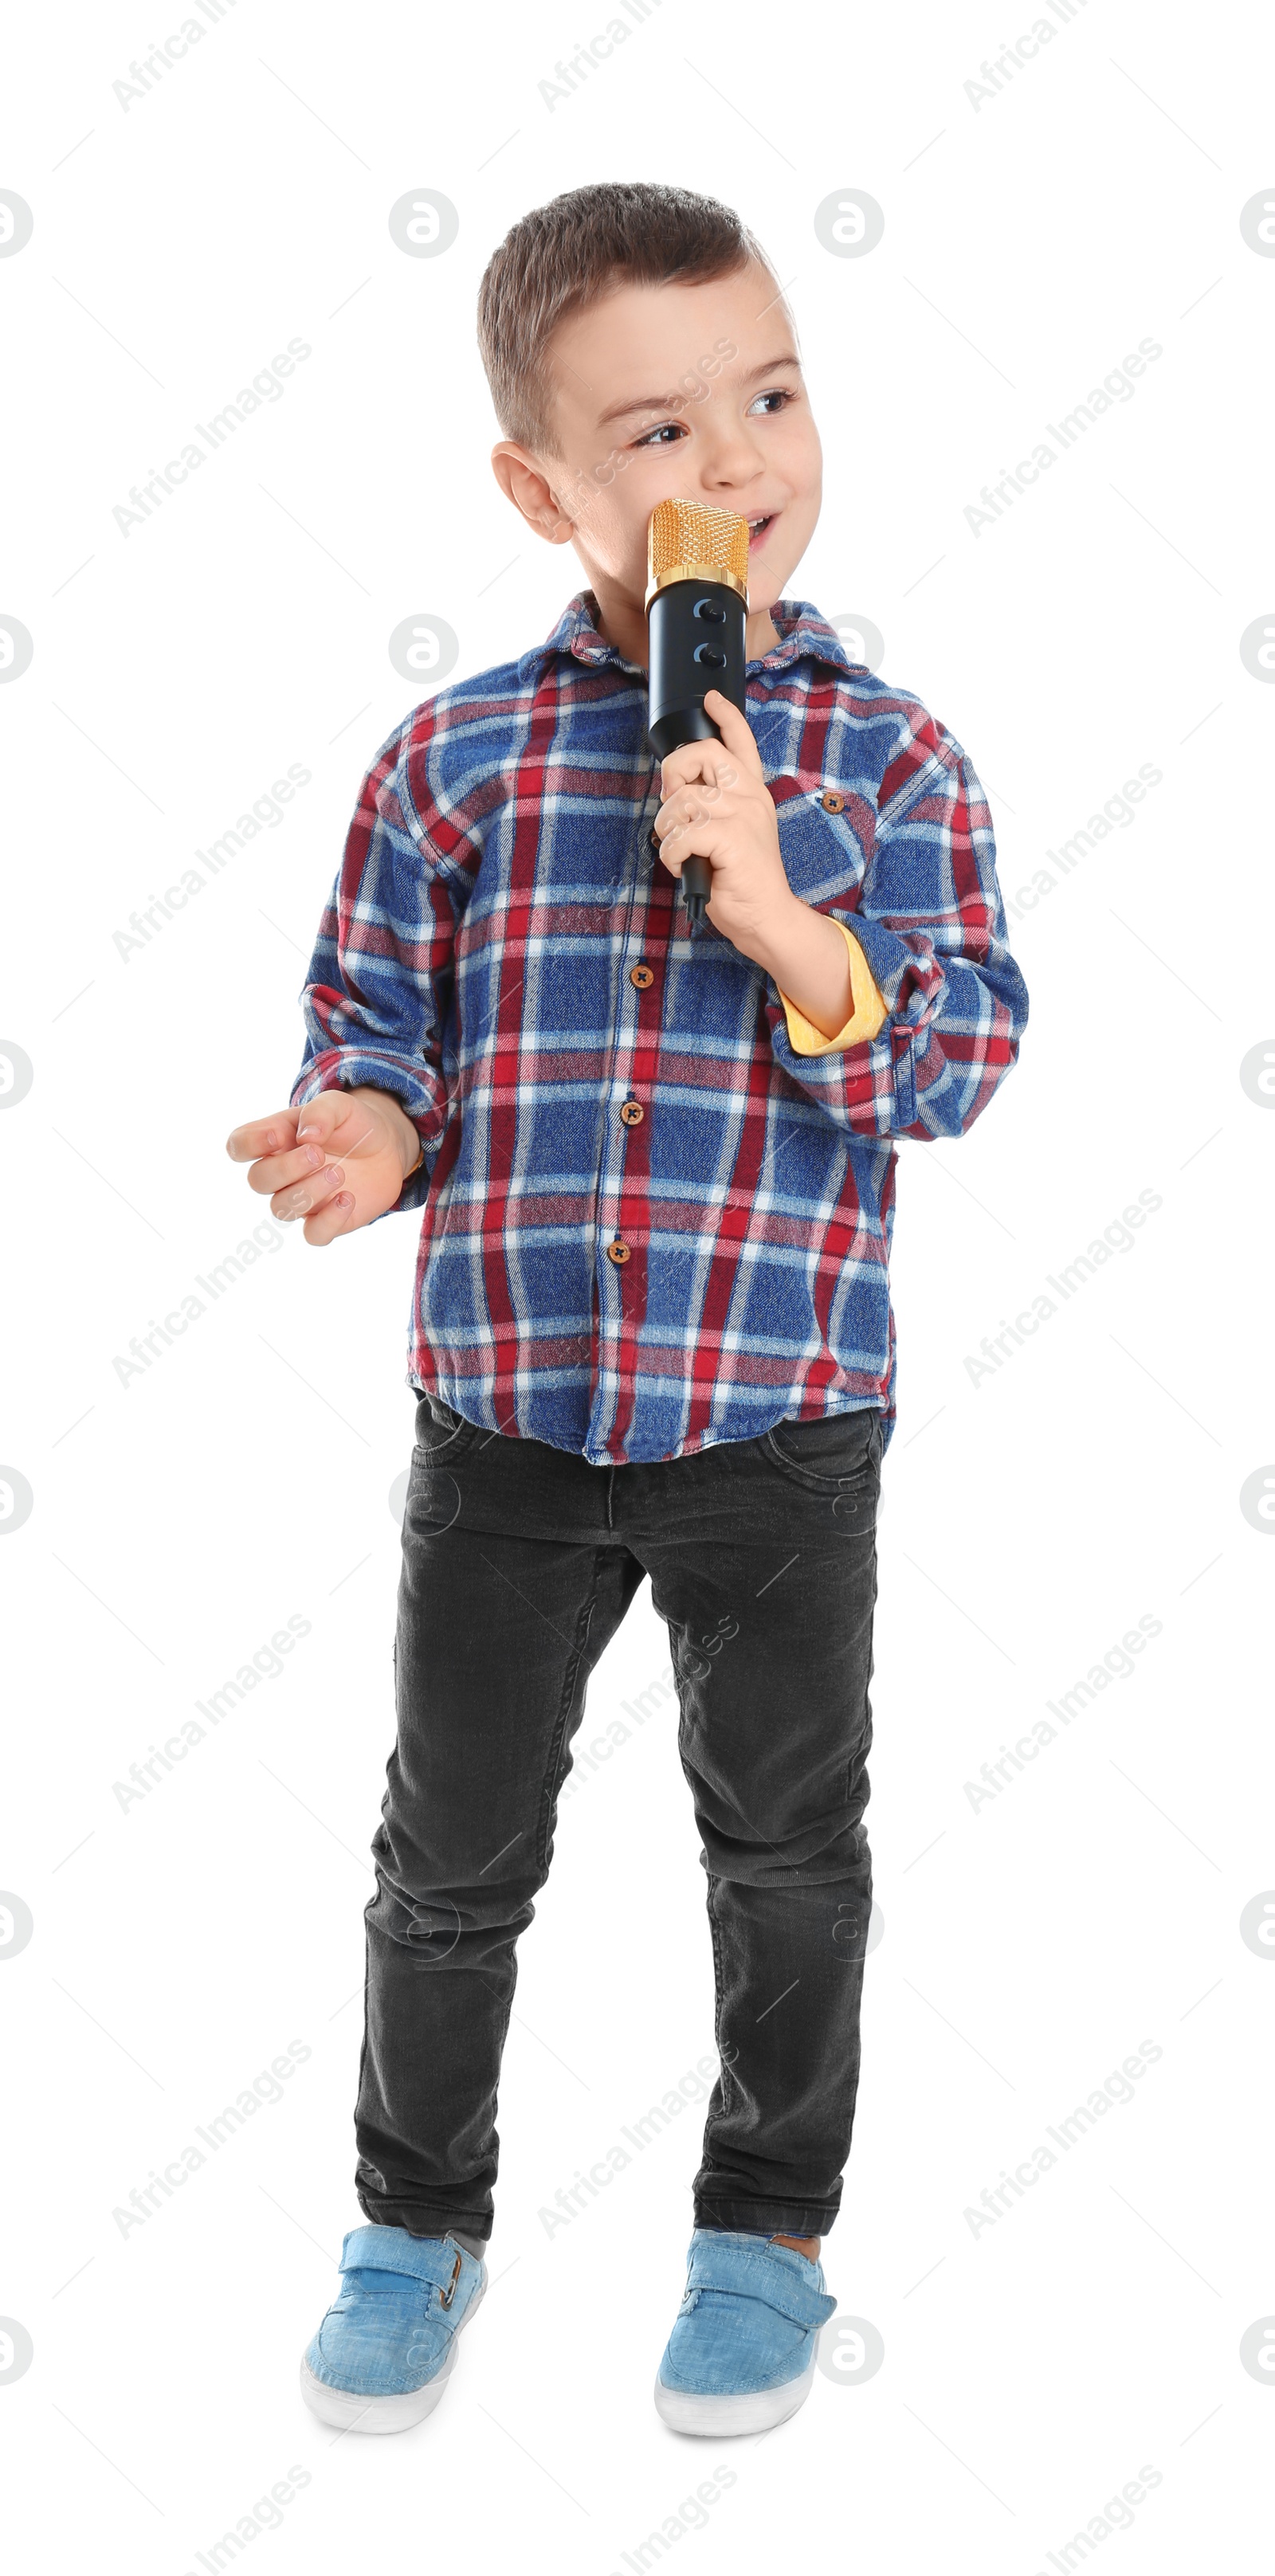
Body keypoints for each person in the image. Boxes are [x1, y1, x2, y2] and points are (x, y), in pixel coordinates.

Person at [226, 180, 1028, 2439]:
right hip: (508, 1421)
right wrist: (367, 1134)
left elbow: (955, 1061)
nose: (743, 464)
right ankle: (415, 2206)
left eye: (773, 397)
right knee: (449, 1849)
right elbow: (372, 1020)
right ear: (544, 490)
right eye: (663, 432)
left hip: (775, 1422)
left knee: (787, 1844)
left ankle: (765, 2223)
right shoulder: (456, 763)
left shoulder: (891, 763)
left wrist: (787, 920)